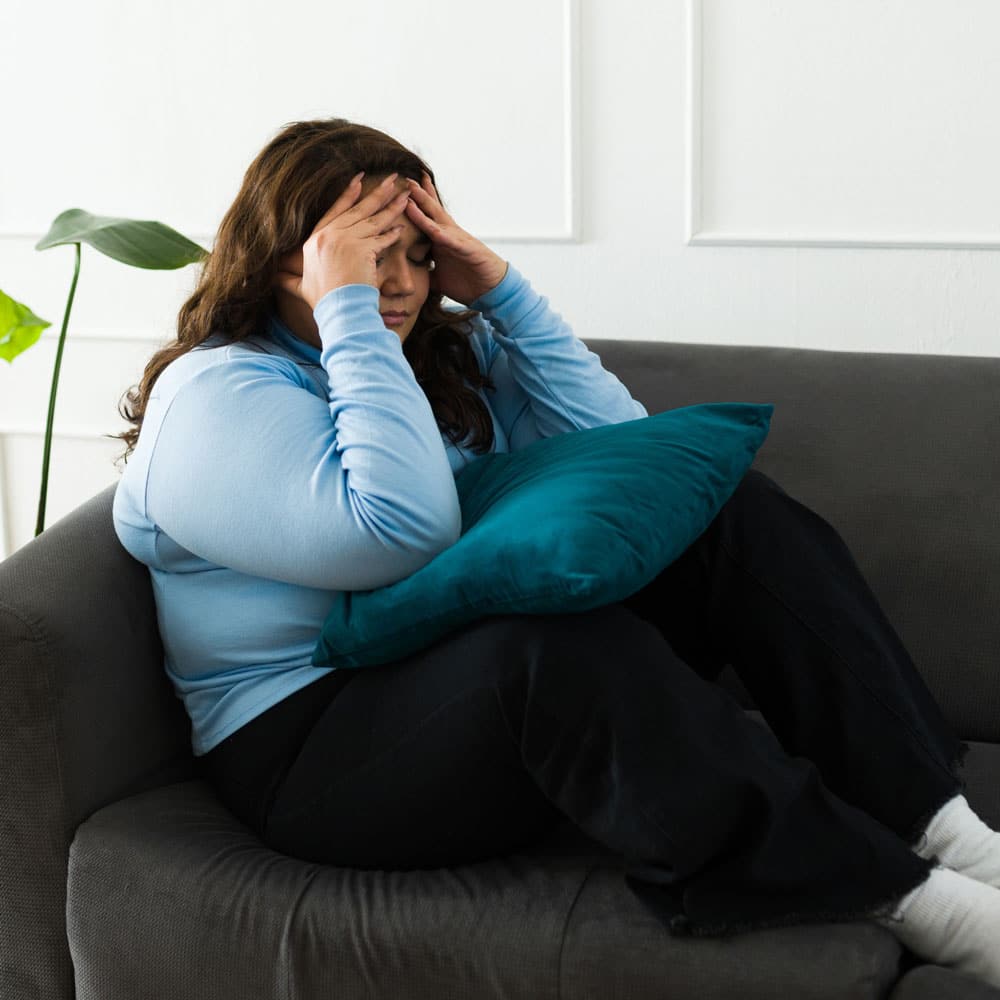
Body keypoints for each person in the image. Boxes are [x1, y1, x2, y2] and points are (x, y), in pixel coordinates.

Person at [113, 118, 1000, 986]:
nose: (400, 282)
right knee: (539, 648)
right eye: (366, 250)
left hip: (477, 704)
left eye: (417, 254)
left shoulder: (439, 362)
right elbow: (395, 534)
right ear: (282, 257)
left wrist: (499, 289)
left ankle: (942, 829)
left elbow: (634, 468)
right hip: (315, 751)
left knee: (731, 514)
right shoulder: (212, 396)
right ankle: (906, 898)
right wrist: (348, 316)